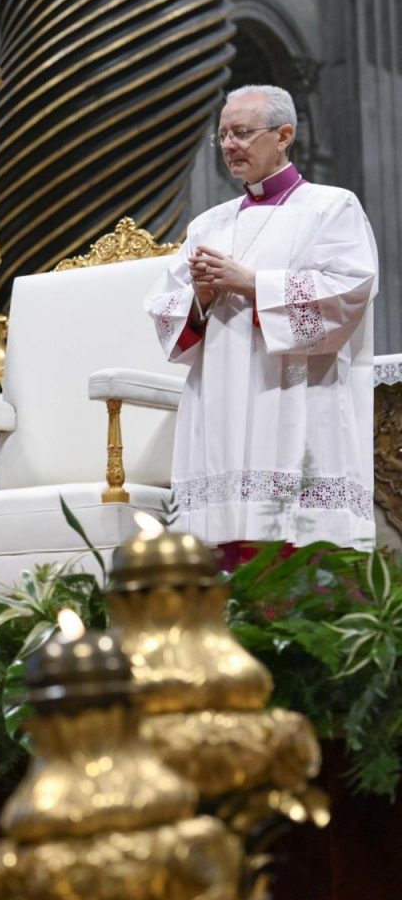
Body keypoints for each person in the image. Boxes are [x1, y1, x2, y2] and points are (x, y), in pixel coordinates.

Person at [145, 84, 376, 556]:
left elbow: (349, 291)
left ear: (283, 135)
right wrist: (201, 298)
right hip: (219, 395)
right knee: (223, 540)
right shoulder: (208, 224)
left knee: (295, 542)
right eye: (223, 135)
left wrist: (252, 284)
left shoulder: (331, 207)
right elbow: (167, 313)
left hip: (294, 390)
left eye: (242, 133)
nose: (229, 145)